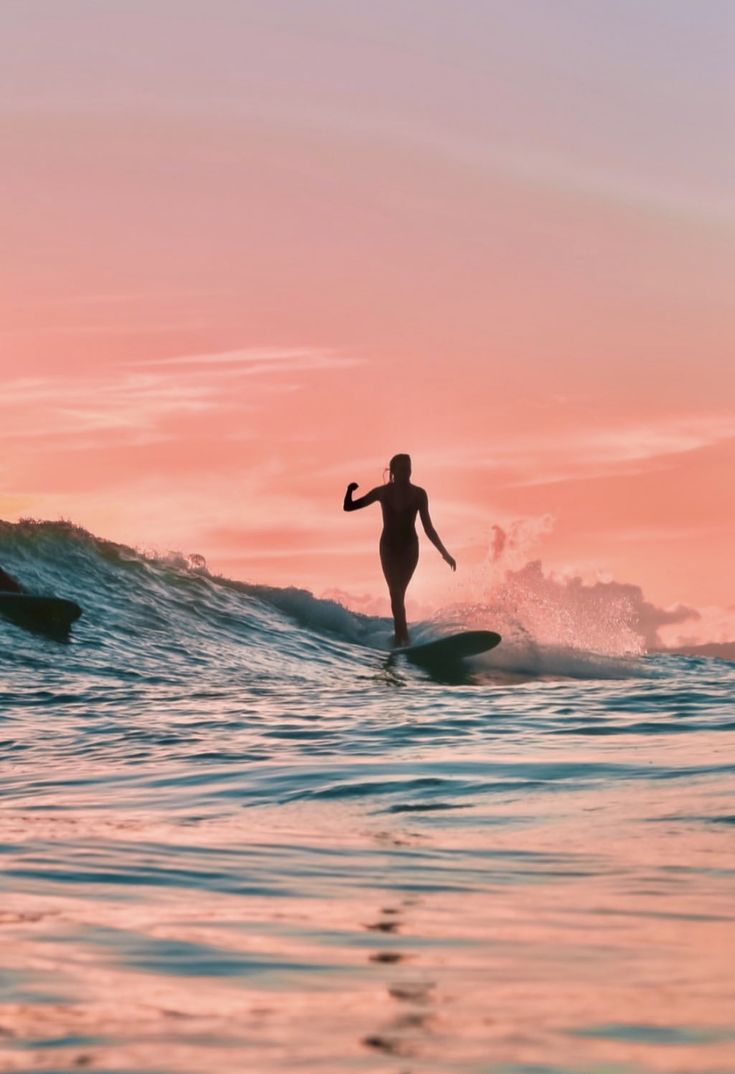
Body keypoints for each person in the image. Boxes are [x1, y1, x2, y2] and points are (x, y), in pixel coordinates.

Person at [343, 453, 456, 646]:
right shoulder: (382, 492)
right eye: (402, 468)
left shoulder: (420, 494)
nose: (406, 471)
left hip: (409, 549)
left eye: (408, 467)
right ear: (393, 471)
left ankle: (401, 638)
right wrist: (349, 490)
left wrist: (444, 553)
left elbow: (428, 528)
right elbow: (349, 507)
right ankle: (401, 638)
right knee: (395, 594)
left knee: (398, 593)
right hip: (388, 548)